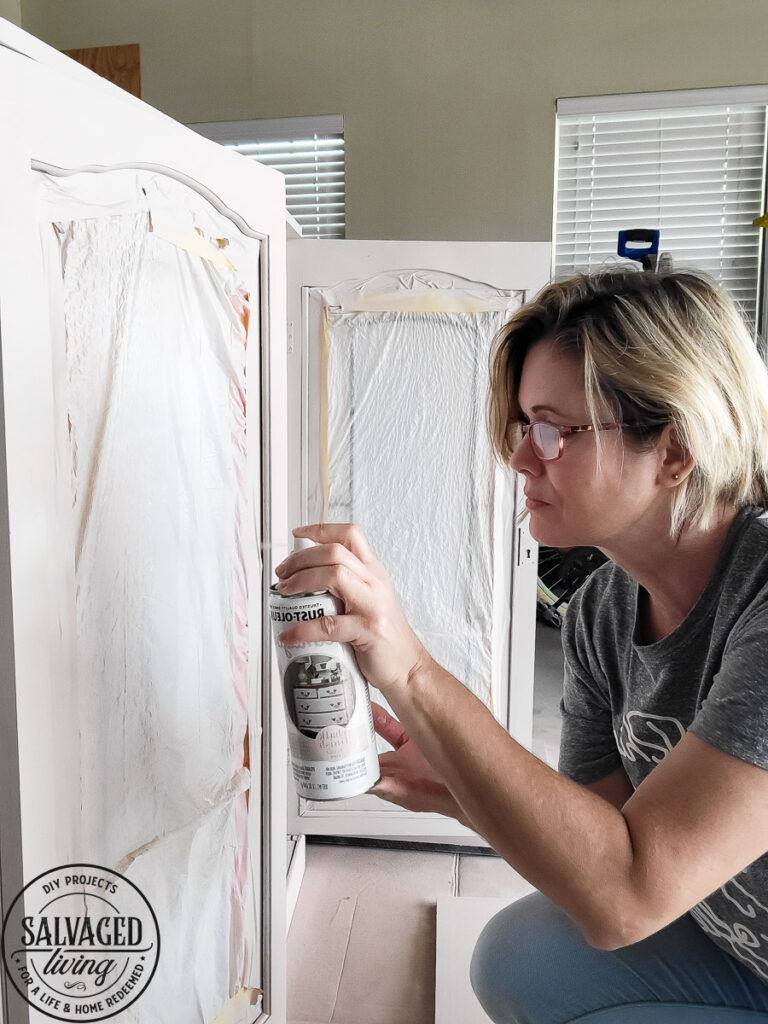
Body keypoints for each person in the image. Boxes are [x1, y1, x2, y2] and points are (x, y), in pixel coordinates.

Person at [273, 268, 768, 1022]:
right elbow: (592, 842)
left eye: (553, 430)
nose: (521, 458)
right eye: (521, 427)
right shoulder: (605, 608)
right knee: (518, 958)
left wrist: (409, 668)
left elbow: (624, 897)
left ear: (674, 449)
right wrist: (451, 786)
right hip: (730, 942)